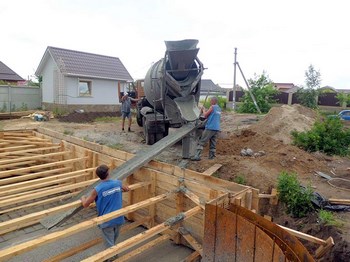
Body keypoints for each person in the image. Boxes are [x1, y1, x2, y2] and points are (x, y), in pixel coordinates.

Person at [81, 164, 129, 249]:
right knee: (113, 240)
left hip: (107, 221)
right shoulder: (117, 183)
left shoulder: (97, 189)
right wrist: (117, 191)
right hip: (119, 218)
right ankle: (113, 254)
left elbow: (85, 204)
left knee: (109, 243)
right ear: (108, 173)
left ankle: (111, 257)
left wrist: (83, 198)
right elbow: (127, 189)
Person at [191, 96, 221, 161]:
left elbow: (205, 115)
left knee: (202, 141)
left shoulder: (212, 107)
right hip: (216, 128)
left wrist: (203, 110)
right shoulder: (219, 108)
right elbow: (211, 116)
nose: (210, 102)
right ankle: (212, 157)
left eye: (211, 101)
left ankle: (197, 156)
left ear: (213, 101)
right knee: (213, 143)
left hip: (210, 127)